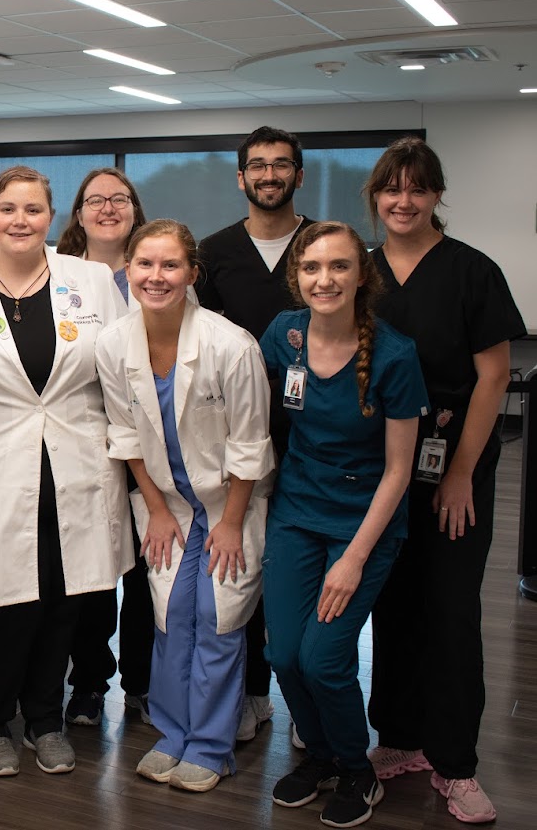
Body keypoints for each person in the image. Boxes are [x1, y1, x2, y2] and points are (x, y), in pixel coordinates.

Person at [0, 166, 130, 778]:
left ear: (51, 217)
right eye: (9, 209)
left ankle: (46, 718)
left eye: (34, 210)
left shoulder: (91, 280)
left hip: (75, 464)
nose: (21, 221)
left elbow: (122, 372)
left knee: (63, 601)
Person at [363, 138, 524, 825]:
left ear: (435, 195)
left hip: (449, 471)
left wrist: (459, 471)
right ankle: (398, 739)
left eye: (416, 188)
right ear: (374, 196)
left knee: (450, 612)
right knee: (392, 608)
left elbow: (492, 375)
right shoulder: (359, 271)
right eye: (391, 188)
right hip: (375, 477)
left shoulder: (470, 271)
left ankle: (455, 764)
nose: (403, 200)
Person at [96, 219, 274, 793]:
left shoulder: (231, 345)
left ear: (192, 274)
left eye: (170, 265)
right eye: (145, 264)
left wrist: (229, 522)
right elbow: (124, 437)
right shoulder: (114, 343)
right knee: (171, 614)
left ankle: (211, 746)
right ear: (128, 270)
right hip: (168, 502)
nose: (156, 276)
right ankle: (172, 734)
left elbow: (251, 446)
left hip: (231, 503)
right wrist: (156, 508)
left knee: (217, 617)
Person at [259, 221, 427, 827]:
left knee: (325, 658)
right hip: (297, 512)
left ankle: (359, 768)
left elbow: (399, 471)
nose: (324, 279)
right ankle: (324, 755)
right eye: (311, 268)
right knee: (282, 654)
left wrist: (353, 558)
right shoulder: (285, 335)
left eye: (338, 267)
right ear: (297, 276)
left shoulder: (395, 354)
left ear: (362, 275)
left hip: (365, 523)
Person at [196, 125, 316, 742]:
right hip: (233, 440)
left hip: (313, 439)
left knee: (298, 572)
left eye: (281, 165)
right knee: (237, 567)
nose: (270, 176)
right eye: (258, 167)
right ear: (241, 178)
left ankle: (305, 704)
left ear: (300, 174)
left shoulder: (323, 246)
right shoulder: (214, 254)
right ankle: (246, 694)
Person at [54, 168, 153, 727]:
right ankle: (89, 682)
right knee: (88, 572)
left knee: (144, 568)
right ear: (79, 212)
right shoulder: (57, 273)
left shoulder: (153, 270)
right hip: (81, 438)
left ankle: (142, 684)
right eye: (96, 200)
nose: (108, 208)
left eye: (120, 199)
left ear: (135, 209)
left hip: (147, 439)